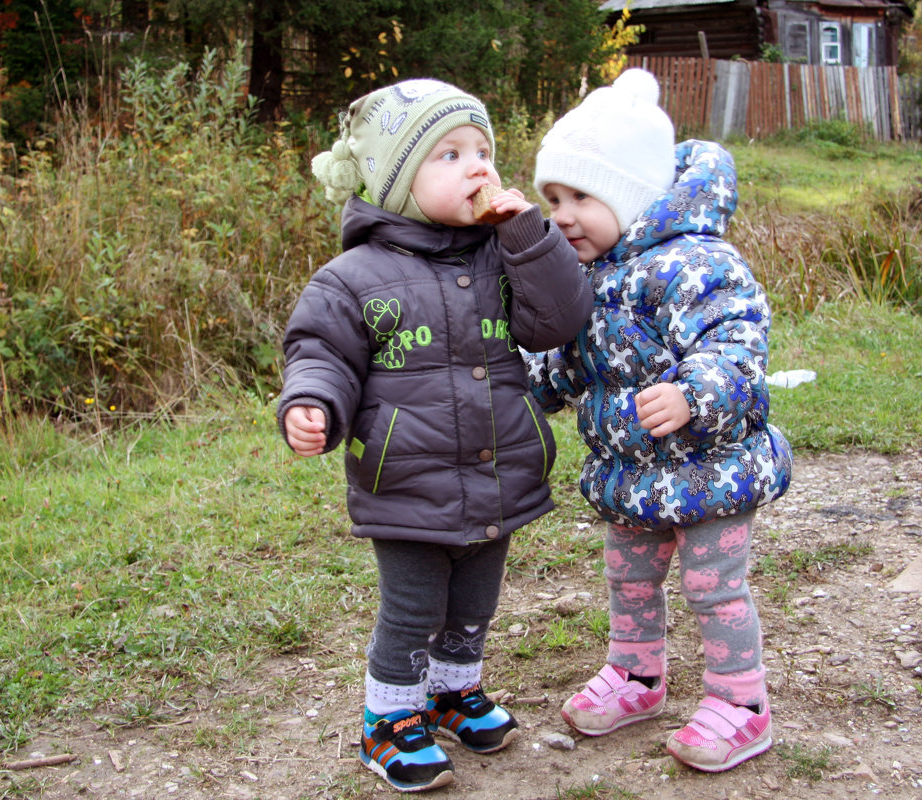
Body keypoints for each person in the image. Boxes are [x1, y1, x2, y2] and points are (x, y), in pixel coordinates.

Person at [277, 78, 591, 792]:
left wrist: (527, 234)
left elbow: (559, 320)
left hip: (497, 468)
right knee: (415, 607)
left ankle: (453, 693)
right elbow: (320, 354)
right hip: (407, 480)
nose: (478, 165)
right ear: (395, 181)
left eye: (482, 149)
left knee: (475, 602)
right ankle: (388, 721)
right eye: (449, 154)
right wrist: (311, 403)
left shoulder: (501, 258)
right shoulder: (350, 279)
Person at [526, 68, 793, 772]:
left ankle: (741, 703)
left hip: (709, 468)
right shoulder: (589, 276)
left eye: (580, 195)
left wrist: (692, 394)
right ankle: (638, 676)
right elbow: (572, 359)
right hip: (633, 474)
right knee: (629, 576)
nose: (561, 214)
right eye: (552, 197)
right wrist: (528, 388)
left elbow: (738, 346)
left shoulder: (695, 263)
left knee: (713, 584)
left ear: (629, 193)